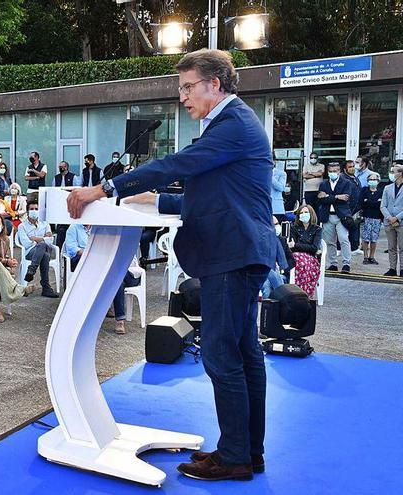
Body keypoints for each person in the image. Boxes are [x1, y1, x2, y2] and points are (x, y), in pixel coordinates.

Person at [66, 49, 275, 481]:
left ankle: (236, 456)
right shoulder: (232, 125)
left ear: (214, 84)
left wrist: (105, 188)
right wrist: (156, 199)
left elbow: (179, 165)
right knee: (244, 353)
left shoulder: (231, 125)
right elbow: (216, 194)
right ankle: (246, 450)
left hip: (231, 255)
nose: (181, 96)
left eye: (187, 87)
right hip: (241, 249)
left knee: (222, 355)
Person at [16, 201, 60, 298]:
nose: (34, 211)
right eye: (32, 209)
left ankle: (32, 269)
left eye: (36, 209)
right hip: (30, 252)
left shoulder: (45, 223)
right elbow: (26, 243)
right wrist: (43, 239)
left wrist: (35, 238)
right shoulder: (22, 226)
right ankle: (46, 288)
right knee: (45, 253)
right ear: (27, 211)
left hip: (45, 249)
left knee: (43, 247)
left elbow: (51, 240)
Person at [317, 162, 354, 273]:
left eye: (335, 171)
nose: (333, 173)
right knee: (329, 241)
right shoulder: (323, 184)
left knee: (343, 239)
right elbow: (321, 199)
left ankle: (346, 263)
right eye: (331, 171)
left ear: (339, 172)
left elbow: (347, 198)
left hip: (341, 216)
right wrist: (338, 196)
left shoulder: (346, 183)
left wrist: (328, 196)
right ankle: (333, 263)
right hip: (327, 215)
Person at [288, 204, 322, 298]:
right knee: (296, 259)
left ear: (311, 214)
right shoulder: (294, 228)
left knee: (300, 261)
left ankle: (302, 293)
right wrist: (298, 246)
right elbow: (291, 246)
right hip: (296, 256)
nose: (303, 214)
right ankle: (296, 292)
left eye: (306, 212)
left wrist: (297, 245)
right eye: (301, 213)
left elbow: (314, 248)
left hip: (311, 258)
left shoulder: (317, 229)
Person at [261, 216, 295, 299]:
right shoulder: (262, 241)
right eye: (274, 224)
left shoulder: (282, 240)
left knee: (268, 284)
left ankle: (270, 310)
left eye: (277, 224)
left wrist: (282, 268)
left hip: (281, 274)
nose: (277, 227)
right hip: (264, 275)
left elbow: (292, 260)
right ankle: (283, 299)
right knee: (267, 283)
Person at [380, 163, 403, 276]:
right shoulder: (387, 188)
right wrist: (389, 217)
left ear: (400, 173)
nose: (392, 174)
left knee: (402, 247)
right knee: (391, 246)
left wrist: (397, 217)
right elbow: (383, 205)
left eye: (394, 172)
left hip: (401, 221)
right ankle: (392, 268)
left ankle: (402, 269)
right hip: (389, 221)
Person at [359, 172, 384, 265]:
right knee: (365, 238)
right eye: (370, 179)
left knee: (374, 239)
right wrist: (374, 202)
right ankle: (365, 257)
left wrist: (369, 202)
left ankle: (372, 257)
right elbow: (362, 202)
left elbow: (381, 205)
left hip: (377, 218)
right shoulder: (364, 190)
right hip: (366, 217)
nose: (372, 181)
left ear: (378, 181)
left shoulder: (381, 191)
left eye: (374, 179)